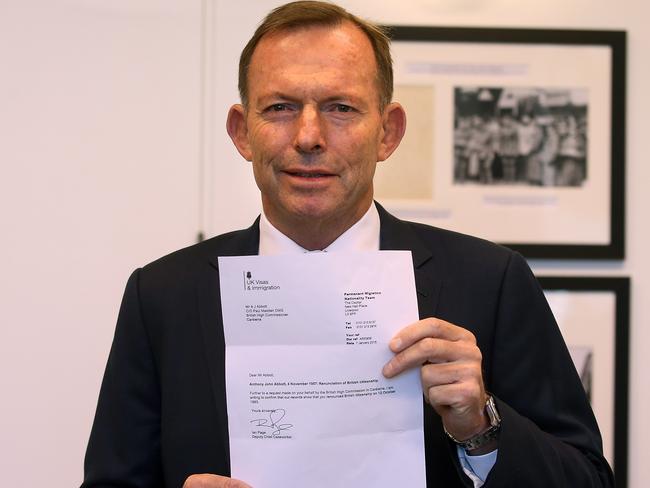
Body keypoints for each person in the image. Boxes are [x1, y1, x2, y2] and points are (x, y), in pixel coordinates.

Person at [81, 2, 614, 487]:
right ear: (242, 131)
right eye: (280, 108)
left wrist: (482, 426)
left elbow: (588, 480)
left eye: (340, 108)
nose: (309, 137)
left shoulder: (491, 281)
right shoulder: (163, 296)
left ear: (388, 131)